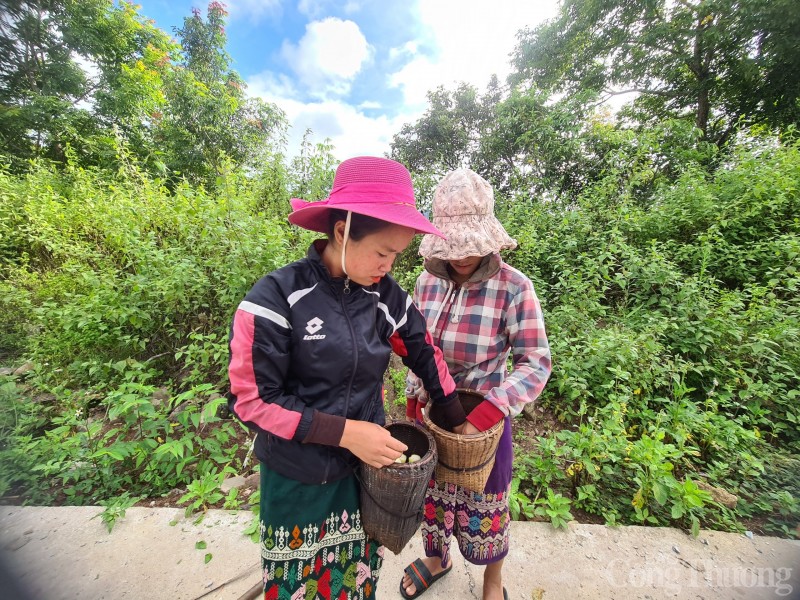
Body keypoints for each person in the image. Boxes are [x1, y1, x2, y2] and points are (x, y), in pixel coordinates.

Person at [226, 156, 467, 600]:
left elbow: (421, 348)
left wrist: (452, 409)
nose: (389, 265)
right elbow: (253, 400)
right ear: (341, 231)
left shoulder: (384, 295)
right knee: (299, 584)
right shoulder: (277, 299)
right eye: (381, 252)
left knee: (356, 579)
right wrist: (347, 433)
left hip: (364, 473)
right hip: (298, 474)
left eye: (397, 254)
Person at [400, 168, 552, 600]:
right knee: (432, 496)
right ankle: (436, 558)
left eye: (468, 245)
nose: (461, 256)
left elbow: (536, 362)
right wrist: (415, 399)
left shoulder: (514, 288)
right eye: (452, 245)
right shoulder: (426, 282)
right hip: (433, 416)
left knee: (488, 503)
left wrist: (488, 412)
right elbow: (417, 345)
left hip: (484, 422)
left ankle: (492, 581)